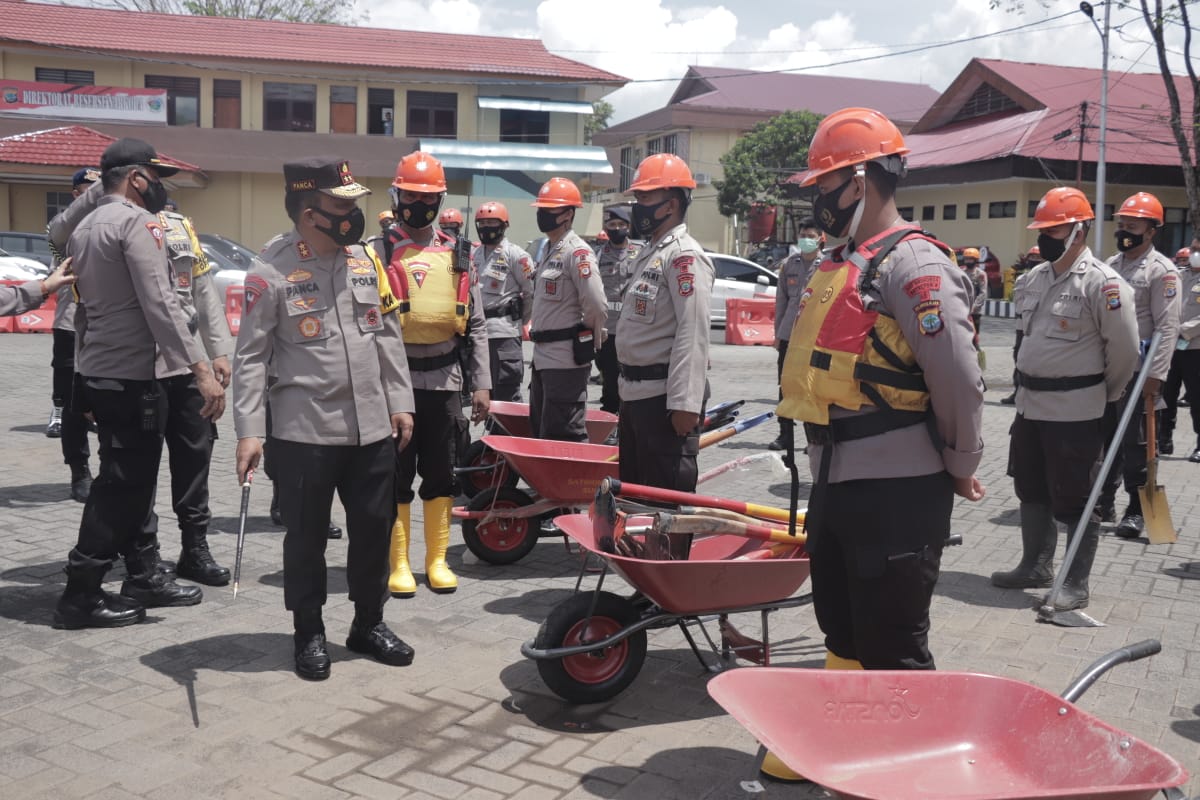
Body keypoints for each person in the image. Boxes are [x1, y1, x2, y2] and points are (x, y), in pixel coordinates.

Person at [774, 108, 985, 783]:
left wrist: (961, 464)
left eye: (824, 184)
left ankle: (913, 778)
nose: (815, 199)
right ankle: (842, 753)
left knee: (893, 644)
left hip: (899, 489)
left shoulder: (915, 263)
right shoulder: (839, 262)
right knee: (840, 624)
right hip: (835, 478)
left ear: (860, 179)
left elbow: (959, 377)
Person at [234, 157, 416, 680]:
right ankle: (308, 631)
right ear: (311, 211)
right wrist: (249, 432)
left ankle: (368, 623)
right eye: (343, 205)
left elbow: (385, 332)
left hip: (371, 429)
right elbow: (250, 357)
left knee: (373, 533)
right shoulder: (269, 269)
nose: (353, 213)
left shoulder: (365, 261)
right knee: (307, 539)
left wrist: (400, 401)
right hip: (303, 431)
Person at [53, 138, 225, 630]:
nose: (157, 188)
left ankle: (134, 577)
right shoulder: (136, 223)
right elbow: (162, 303)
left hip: (104, 371)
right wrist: (200, 370)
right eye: (153, 177)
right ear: (136, 179)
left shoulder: (86, 227)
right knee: (123, 487)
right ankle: (81, 591)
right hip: (133, 376)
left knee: (121, 481)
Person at [991, 187, 1137, 610]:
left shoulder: (1104, 285)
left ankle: (1075, 582)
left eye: (1055, 229)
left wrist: (1101, 394)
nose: (1046, 237)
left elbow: (1125, 352)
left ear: (1079, 230)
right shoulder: (1035, 278)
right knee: (1030, 485)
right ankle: (1035, 565)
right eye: (1043, 229)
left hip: (1076, 409)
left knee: (1076, 495)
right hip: (1030, 405)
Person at [376, 151, 490, 597]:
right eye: (409, 195)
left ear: (440, 200)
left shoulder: (459, 252)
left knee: (441, 473)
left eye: (426, 197)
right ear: (396, 195)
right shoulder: (376, 250)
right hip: (395, 385)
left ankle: (437, 560)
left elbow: (476, 323)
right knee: (396, 473)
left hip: (445, 384)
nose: (417, 204)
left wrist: (481, 382)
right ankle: (399, 563)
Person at [616, 154, 713, 499]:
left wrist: (686, 403)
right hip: (635, 397)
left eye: (644, 199)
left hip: (663, 402)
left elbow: (694, 332)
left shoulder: (685, 256)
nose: (636, 207)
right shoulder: (650, 252)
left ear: (670, 204)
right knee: (635, 501)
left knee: (663, 507)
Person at [1096, 192, 1181, 536]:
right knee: (1104, 439)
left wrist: (1156, 375)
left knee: (1137, 444)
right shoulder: (1111, 266)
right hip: (1108, 370)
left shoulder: (1163, 271)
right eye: (1121, 224)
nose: (1124, 230)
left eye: (1132, 225)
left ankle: (1137, 508)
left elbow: (1168, 326)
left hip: (1140, 372)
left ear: (1151, 231)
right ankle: (1103, 500)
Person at [527, 177, 607, 441]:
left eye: (548, 210)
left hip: (565, 359)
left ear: (567, 215)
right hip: (543, 359)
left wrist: (587, 337)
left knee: (565, 433)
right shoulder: (548, 250)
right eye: (541, 209)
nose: (541, 215)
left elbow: (595, 303)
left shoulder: (577, 252)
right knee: (544, 430)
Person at [45, 167, 98, 502]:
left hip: (109, 327)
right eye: (89, 190)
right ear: (77, 193)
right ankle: (79, 469)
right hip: (70, 324)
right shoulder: (63, 227)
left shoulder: (115, 222)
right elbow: (59, 231)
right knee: (73, 404)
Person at [769, 218, 824, 451]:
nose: (806, 239)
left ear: (822, 239)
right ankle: (785, 435)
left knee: (813, 387)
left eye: (811, 236)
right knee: (786, 386)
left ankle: (814, 436)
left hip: (814, 336)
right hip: (789, 334)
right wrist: (778, 333)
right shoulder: (790, 264)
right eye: (803, 235)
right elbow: (781, 300)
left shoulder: (828, 265)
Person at [473, 200, 534, 403]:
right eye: (482, 223)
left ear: (504, 225)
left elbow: (531, 292)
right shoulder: (473, 255)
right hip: (478, 334)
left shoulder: (517, 256)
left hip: (504, 333)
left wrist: (520, 319)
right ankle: (490, 433)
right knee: (482, 391)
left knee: (506, 392)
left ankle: (508, 432)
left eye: (492, 222)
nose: (486, 228)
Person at [595, 204, 641, 417]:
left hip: (633, 329)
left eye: (620, 224)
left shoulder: (641, 253)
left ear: (628, 226)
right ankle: (610, 423)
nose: (616, 229)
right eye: (612, 225)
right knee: (610, 383)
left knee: (632, 379)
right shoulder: (598, 256)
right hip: (608, 331)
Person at [1163, 237, 1200, 463]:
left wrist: (1183, 330)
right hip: (1172, 347)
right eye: (1194, 249)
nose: (1195, 253)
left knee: (1197, 398)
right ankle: (1163, 439)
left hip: (1195, 347)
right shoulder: (1179, 276)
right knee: (1166, 396)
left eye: (1198, 250)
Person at [1001, 245, 1043, 405]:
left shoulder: (1051, 279)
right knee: (1019, 358)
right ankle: (1018, 391)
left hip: (1040, 327)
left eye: (1038, 258)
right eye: (1032, 258)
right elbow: (1020, 305)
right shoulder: (1022, 279)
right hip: (1022, 326)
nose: (1034, 261)